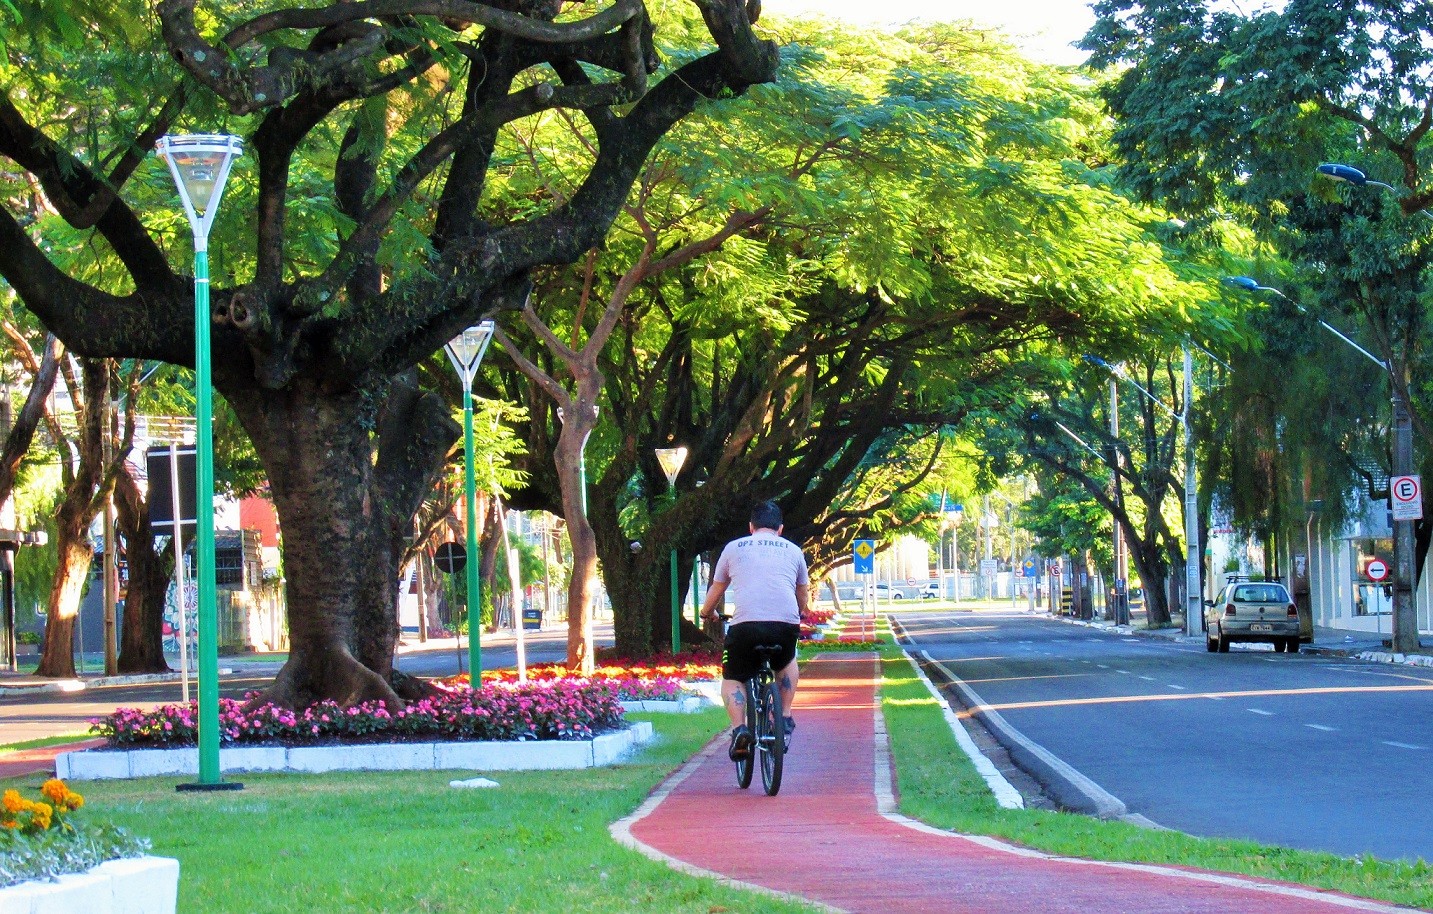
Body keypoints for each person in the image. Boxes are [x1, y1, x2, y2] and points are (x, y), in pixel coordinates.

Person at [699, 500, 809, 761]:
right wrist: (800, 612)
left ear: (751, 527)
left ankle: (740, 730)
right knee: (787, 661)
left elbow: (717, 588)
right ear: (780, 529)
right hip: (784, 626)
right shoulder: (794, 551)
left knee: (733, 676)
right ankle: (784, 715)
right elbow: (802, 592)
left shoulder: (733, 548)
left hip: (745, 628)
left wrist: (706, 613)